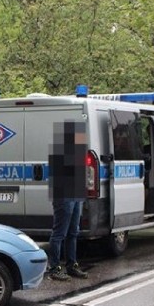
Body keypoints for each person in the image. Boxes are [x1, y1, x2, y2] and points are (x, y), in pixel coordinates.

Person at [46, 120, 89, 281]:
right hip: (63, 195)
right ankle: (54, 268)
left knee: (73, 232)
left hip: (75, 193)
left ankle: (72, 265)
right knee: (59, 233)